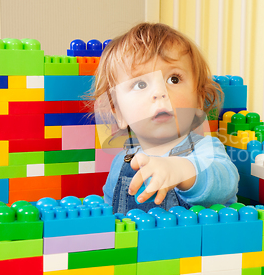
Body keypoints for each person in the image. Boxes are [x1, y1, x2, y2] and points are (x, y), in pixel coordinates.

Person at [93, 22, 239, 214]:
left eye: (174, 79)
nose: (159, 93)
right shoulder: (122, 162)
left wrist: (181, 171)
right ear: (119, 113)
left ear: (199, 101)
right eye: (140, 84)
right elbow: (110, 214)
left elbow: (226, 181)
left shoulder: (206, 149)